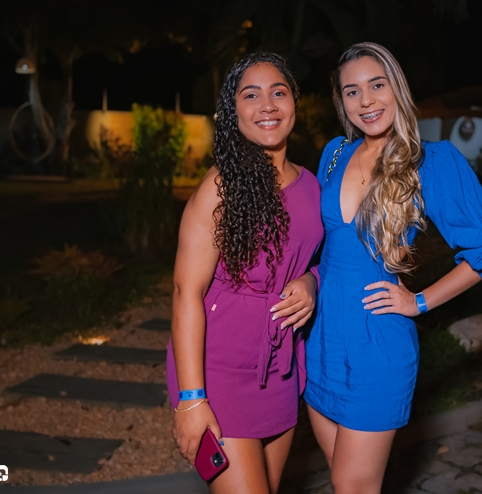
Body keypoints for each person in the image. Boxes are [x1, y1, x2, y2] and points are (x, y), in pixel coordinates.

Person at [304, 42, 482, 493]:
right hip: (321, 341)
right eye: (352, 91)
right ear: (341, 101)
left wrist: (420, 302)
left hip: (376, 342)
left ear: (397, 88)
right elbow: (320, 247)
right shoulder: (334, 154)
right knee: (341, 480)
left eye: (377, 85)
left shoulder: (430, 161)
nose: (366, 101)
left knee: (352, 485)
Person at [166, 52, 323, 494]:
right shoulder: (220, 187)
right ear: (233, 111)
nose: (267, 105)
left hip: (280, 370)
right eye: (251, 95)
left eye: (278, 92)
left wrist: (311, 282)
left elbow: (315, 259)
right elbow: (185, 292)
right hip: (218, 371)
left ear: (294, 101)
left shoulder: (311, 185)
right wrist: (191, 399)